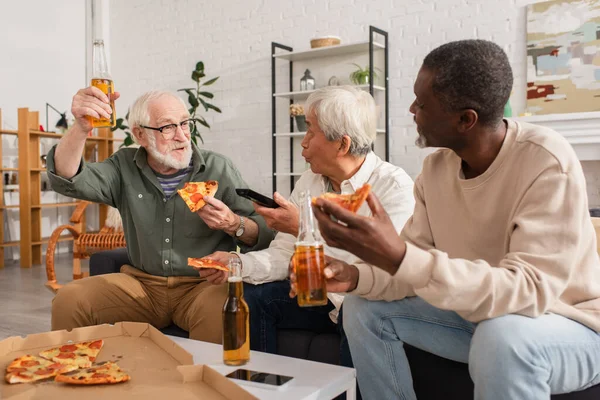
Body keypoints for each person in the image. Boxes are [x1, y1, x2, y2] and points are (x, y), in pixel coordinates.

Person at [307, 39, 600, 399]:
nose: (412, 109)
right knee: (363, 310)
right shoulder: (435, 170)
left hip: (570, 324)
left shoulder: (546, 162)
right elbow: (411, 271)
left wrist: (401, 256)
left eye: (423, 103)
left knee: (502, 336)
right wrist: (356, 276)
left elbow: (528, 293)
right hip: (479, 316)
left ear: (465, 119)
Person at [205, 85, 415, 368]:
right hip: (317, 296)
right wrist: (236, 263)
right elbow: (282, 253)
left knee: (356, 310)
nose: (303, 142)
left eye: (310, 131)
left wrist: (303, 226)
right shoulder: (309, 181)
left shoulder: (394, 186)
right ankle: (259, 387)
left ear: (342, 144)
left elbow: (376, 266)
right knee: (256, 299)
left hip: (360, 300)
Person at [48, 87, 274, 343]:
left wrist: (234, 224)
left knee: (223, 307)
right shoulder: (123, 166)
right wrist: (80, 127)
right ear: (140, 135)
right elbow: (67, 178)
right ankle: (76, 375)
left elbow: (264, 232)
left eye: (185, 124)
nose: (181, 136)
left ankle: (203, 382)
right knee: (69, 299)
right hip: (141, 285)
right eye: (167, 127)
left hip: (203, 286)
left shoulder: (218, 168)